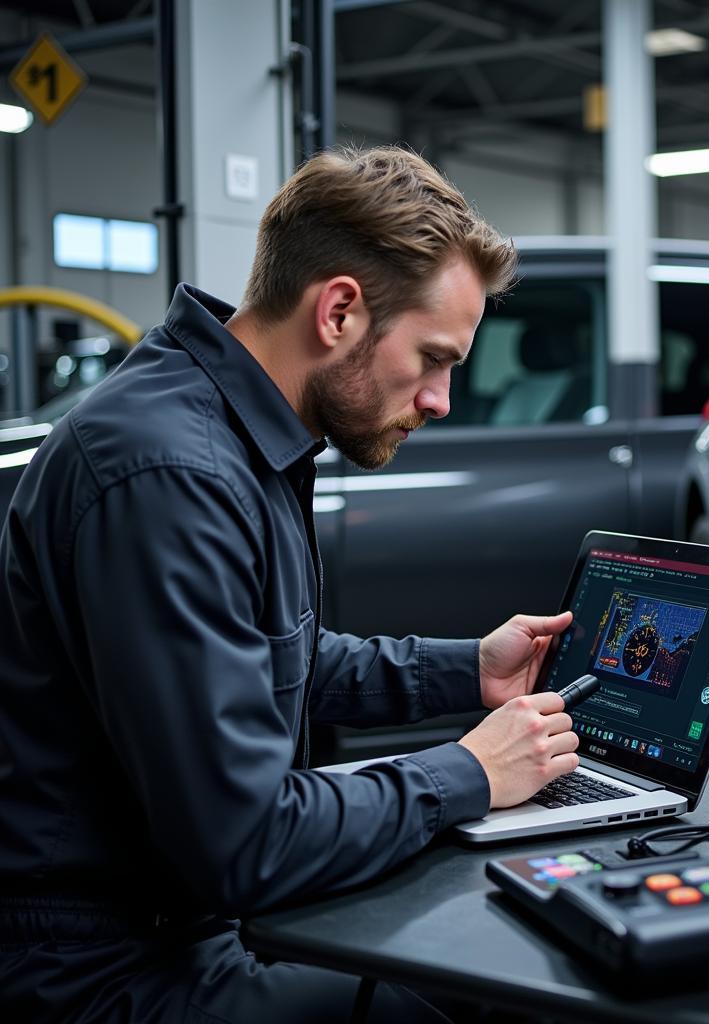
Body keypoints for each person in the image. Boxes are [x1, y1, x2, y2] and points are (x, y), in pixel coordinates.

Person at [0, 146, 580, 1022]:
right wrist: (465, 771)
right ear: (340, 311)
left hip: (175, 921)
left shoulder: (230, 432)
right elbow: (246, 842)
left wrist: (470, 672)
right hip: (96, 971)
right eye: (432, 357)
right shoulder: (170, 472)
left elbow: (275, 658)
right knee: (490, 1000)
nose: (440, 400)